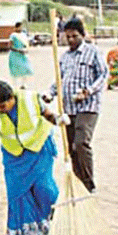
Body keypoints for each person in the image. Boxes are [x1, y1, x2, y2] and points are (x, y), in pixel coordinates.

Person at [0, 81, 65, 235]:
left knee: (44, 188)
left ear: (12, 98)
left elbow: (48, 115)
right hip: (14, 156)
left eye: (3, 105)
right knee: (17, 193)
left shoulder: (31, 98)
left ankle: (56, 226)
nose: (0, 110)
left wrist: (58, 119)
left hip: (39, 148)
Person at [42, 16, 107, 194]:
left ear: (82, 35)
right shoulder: (64, 57)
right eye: (67, 37)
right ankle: (79, 182)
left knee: (81, 143)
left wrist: (87, 91)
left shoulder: (93, 52)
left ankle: (89, 183)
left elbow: (103, 76)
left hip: (88, 106)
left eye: (74, 36)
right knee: (70, 147)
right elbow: (60, 79)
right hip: (68, 108)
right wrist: (50, 93)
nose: (70, 40)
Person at [8, 22, 33, 89]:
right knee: (15, 70)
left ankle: (23, 84)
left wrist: (25, 49)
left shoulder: (23, 35)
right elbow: (10, 46)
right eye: (19, 27)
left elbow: (26, 44)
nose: (21, 28)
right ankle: (14, 86)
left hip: (23, 54)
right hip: (15, 55)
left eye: (21, 27)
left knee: (25, 68)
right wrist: (18, 50)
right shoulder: (13, 35)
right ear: (16, 27)